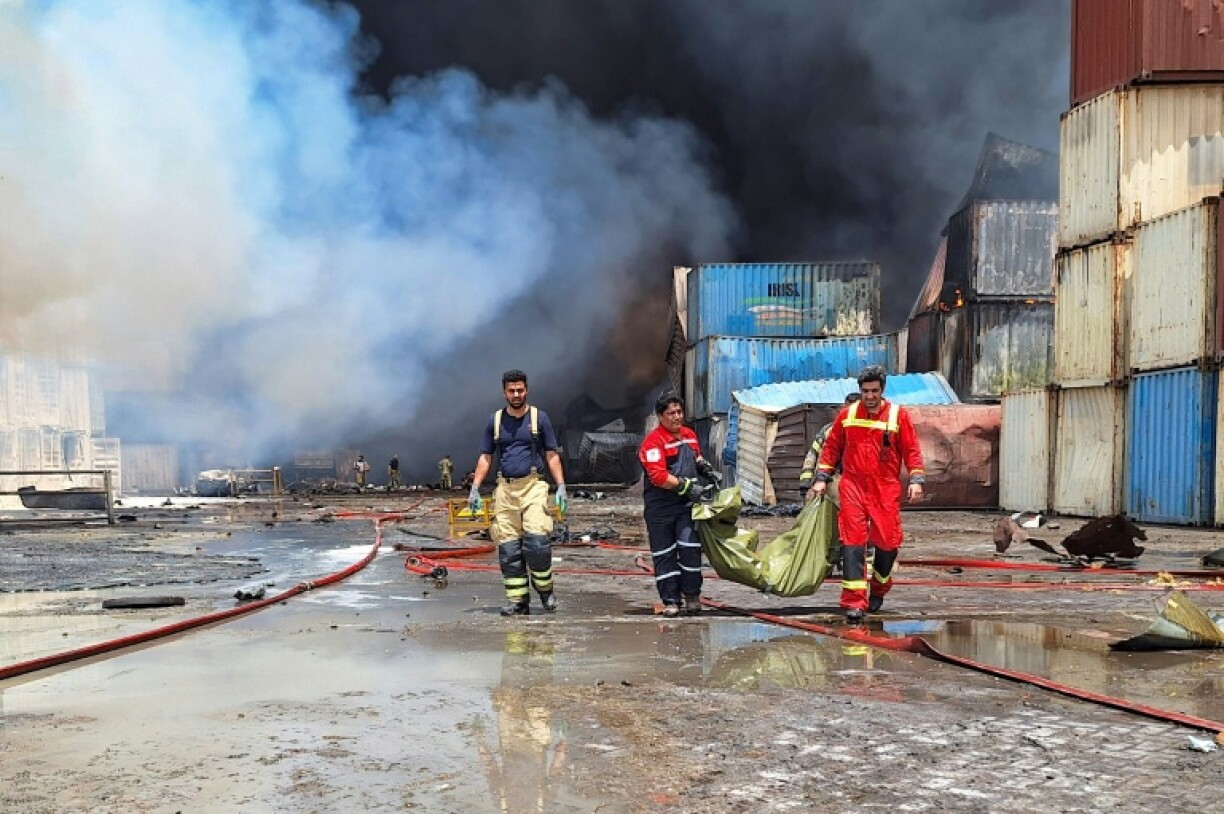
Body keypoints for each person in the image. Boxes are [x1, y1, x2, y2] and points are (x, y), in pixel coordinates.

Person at [809, 366, 925, 623]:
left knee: (887, 542)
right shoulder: (846, 415)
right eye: (865, 391)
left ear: (882, 390)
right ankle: (854, 603)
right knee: (852, 543)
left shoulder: (898, 416)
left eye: (874, 391)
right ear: (859, 391)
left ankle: (880, 586)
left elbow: (912, 449)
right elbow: (831, 449)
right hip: (852, 486)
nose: (869, 396)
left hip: (884, 488)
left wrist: (916, 479)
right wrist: (821, 478)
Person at [469, 370, 568, 616]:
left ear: (527, 390)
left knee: (537, 544)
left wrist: (561, 486)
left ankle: (546, 592)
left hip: (533, 486)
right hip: (505, 489)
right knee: (509, 549)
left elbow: (551, 454)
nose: (516, 395)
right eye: (511, 391)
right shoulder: (495, 421)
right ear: (504, 393)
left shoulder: (539, 418)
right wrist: (475, 488)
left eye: (520, 390)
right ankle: (518, 601)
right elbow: (485, 457)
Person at [637, 392, 717, 618]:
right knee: (665, 554)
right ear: (660, 416)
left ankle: (692, 596)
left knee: (690, 549)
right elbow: (658, 476)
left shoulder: (690, 436)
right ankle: (671, 601)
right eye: (671, 413)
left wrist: (706, 469)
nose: (677, 417)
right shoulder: (653, 443)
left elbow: (696, 457)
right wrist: (688, 488)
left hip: (685, 507)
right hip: (660, 509)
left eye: (679, 412)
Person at [799, 392, 862, 498]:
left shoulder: (868, 432)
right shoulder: (829, 430)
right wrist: (805, 483)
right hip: (828, 484)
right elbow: (812, 455)